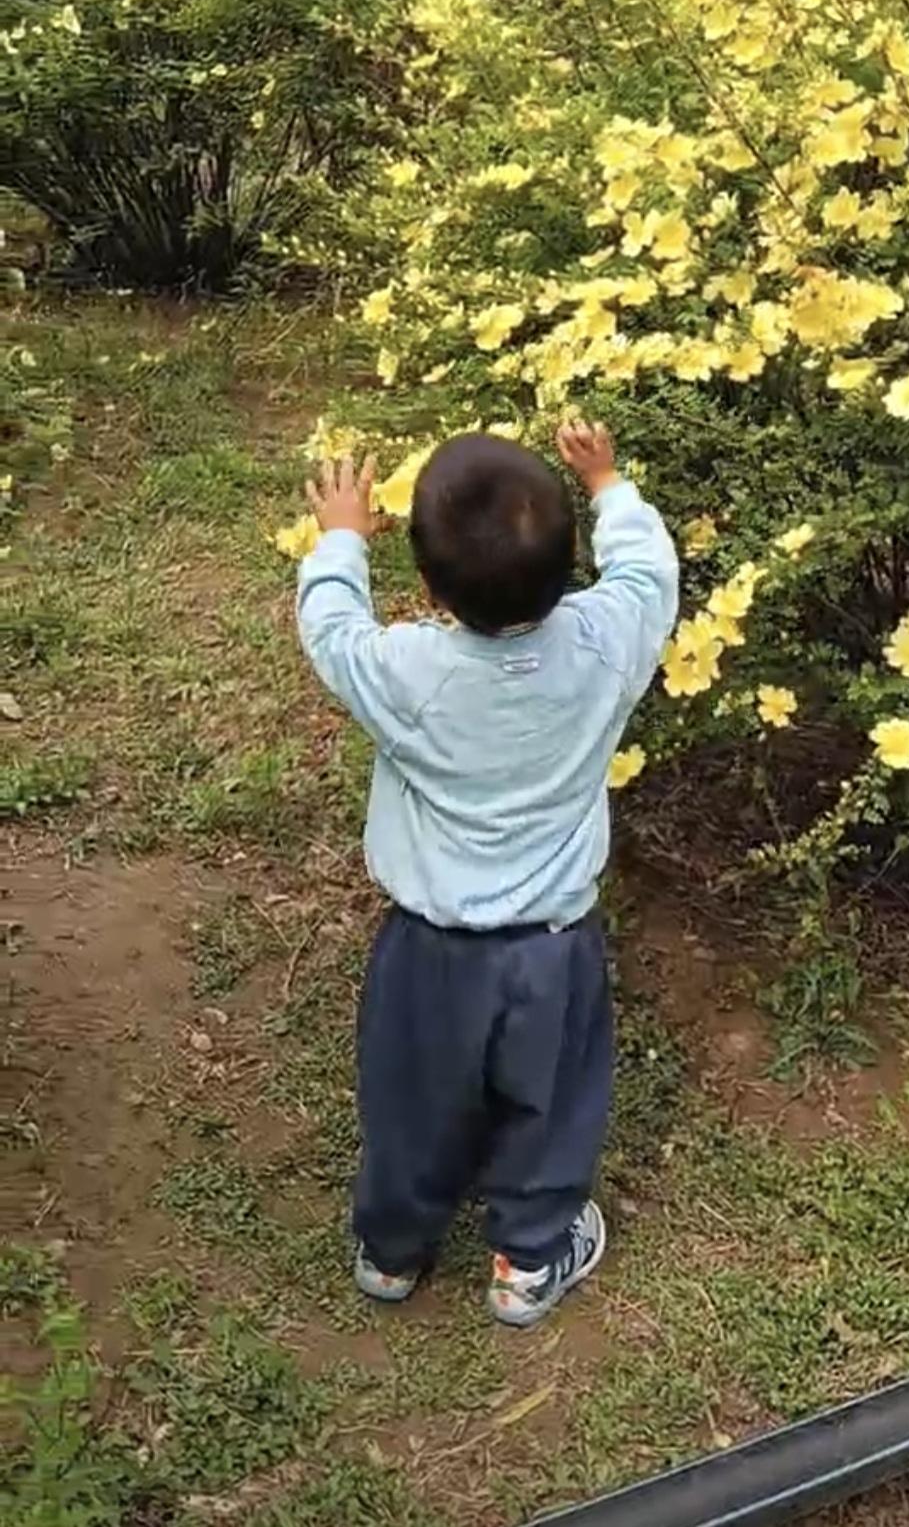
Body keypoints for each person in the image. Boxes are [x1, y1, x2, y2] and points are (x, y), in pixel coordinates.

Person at [296, 421, 678, 1329]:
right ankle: (529, 1260)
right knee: (549, 1104)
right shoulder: (604, 645)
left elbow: (332, 628)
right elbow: (649, 573)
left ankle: (391, 1249)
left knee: (412, 1101)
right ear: (568, 562)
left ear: (427, 588)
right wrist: (609, 482)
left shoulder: (408, 670)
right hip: (552, 949)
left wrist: (342, 535)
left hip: (428, 952)